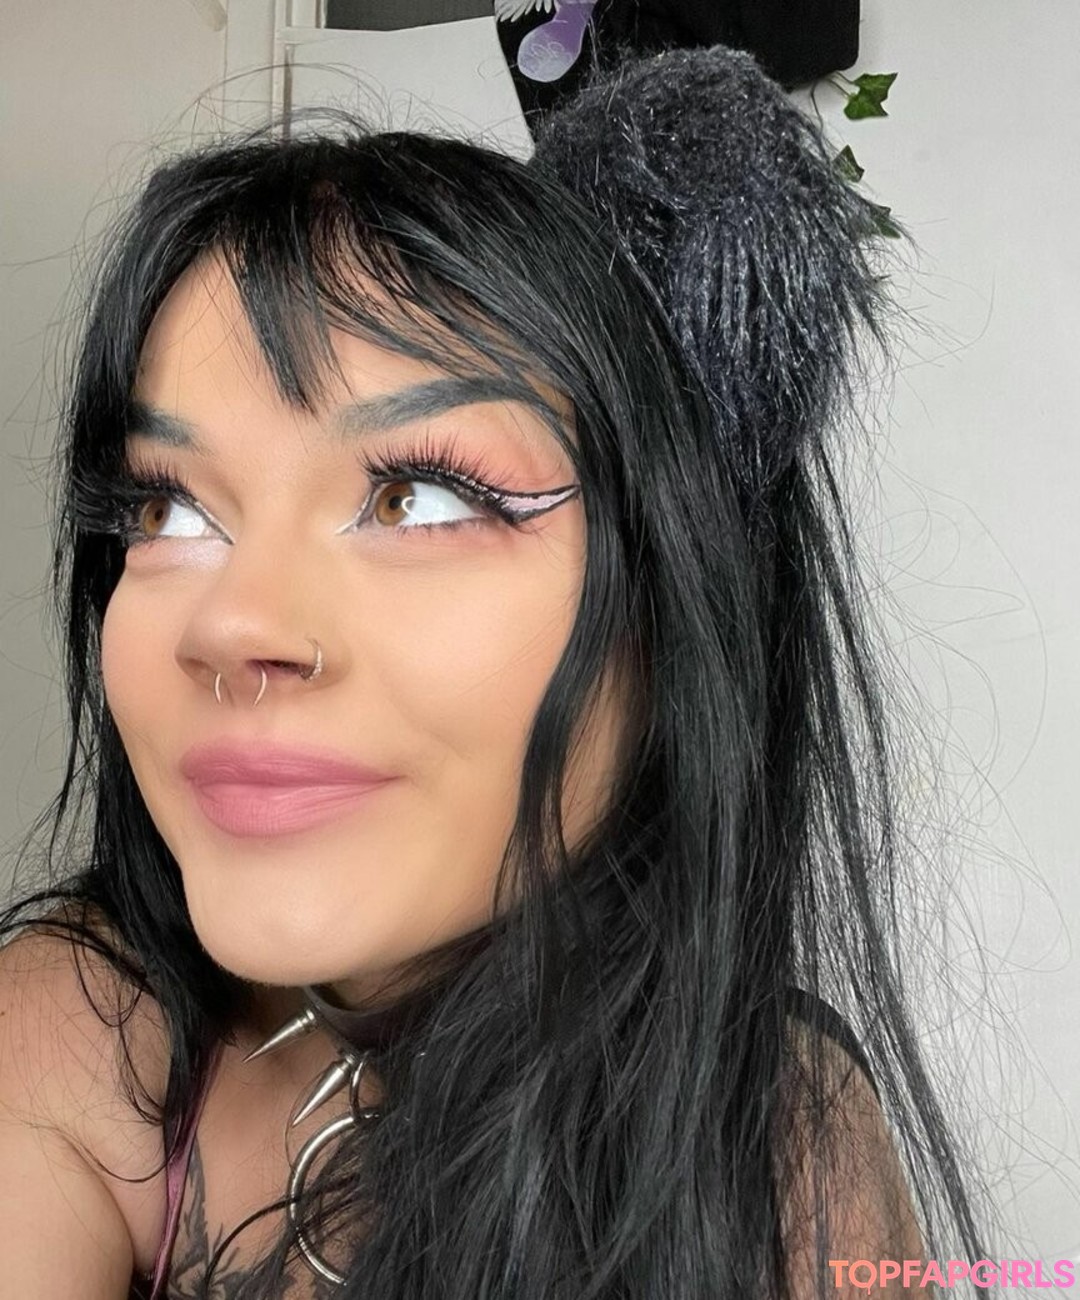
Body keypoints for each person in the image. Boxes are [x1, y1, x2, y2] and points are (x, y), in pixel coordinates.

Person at [0, 43, 990, 1299]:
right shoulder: (69, 1037)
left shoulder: (780, 1142)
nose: (232, 625)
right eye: (168, 510)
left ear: (668, 595)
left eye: (417, 497)